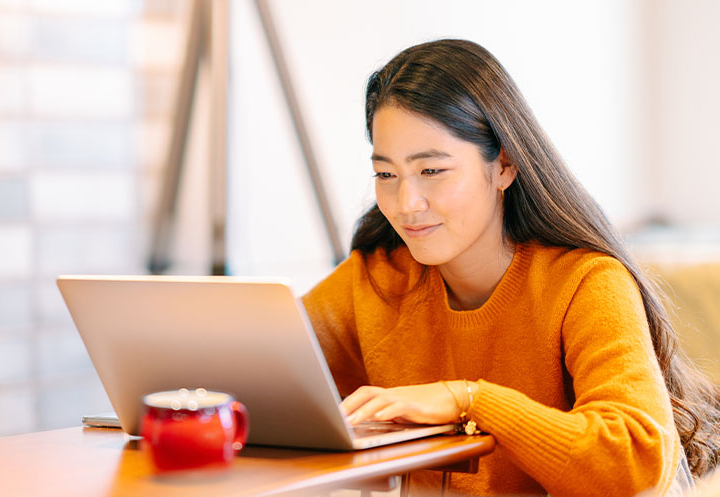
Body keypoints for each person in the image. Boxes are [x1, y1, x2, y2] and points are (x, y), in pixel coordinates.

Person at [301, 39, 720, 496]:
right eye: (386, 175)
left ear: (504, 165)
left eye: (432, 171)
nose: (406, 204)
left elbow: (633, 461)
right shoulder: (378, 278)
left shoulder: (585, 282)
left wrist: (469, 399)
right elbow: (262, 370)